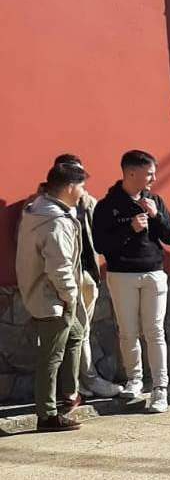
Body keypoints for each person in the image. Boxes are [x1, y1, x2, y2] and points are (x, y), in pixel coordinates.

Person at [93, 149, 170, 414]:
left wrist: (157, 216)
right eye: (149, 172)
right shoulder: (107, 205)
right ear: (132, 172)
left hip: (153, 273)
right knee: (128, 331)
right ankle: (135, 380)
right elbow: (101, 244)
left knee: (154, 332)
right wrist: (129, 229)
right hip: (121, 275)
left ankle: (160, 389)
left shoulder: (155, 200)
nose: (153, 177)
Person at [16, 158, 90, 432]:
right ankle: (48, 414)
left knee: (75, 335)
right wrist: (70, 296)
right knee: (51, 355)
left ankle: (68, 396)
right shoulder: (55, 221)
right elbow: (59, 267)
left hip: (46, 294)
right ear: (70, 186)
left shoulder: (37, 209)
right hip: (54, 298)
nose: (83, 191)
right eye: (81, 185)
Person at [73, 174, 121, 399]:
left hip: (87, 274)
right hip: (60, 279)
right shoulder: (39, 208)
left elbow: (100, 237)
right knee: (71, 332)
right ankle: (78, 382)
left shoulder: (89, 203)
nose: (83, 186)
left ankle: (85, 379)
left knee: (83, 330)